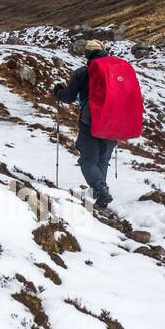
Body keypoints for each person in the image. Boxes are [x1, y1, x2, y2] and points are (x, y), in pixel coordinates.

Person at [52, 39, 115, 209]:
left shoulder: (83, 72)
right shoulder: (115, 71)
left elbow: (68, 97)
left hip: (91, 123)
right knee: (103, 159)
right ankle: (101, 194)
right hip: (114, 124)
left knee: (88, 160)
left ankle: (100, 190)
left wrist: (58, 91)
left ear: (87, 55)